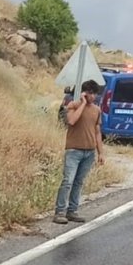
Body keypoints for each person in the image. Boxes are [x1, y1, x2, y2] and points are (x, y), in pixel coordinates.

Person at [55, 79, 105, 224]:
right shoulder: (73, 106)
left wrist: (100, 152)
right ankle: (59, 212)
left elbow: (97, 132)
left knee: (78, 182)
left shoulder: (96, 110)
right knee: (67, 181)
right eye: (90, 93)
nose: (93, 97)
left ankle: (72, 210)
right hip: (74, 150)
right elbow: (71, 121)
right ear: (84, 93)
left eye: (95, 94)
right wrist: (82, 103)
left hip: (89, 152)